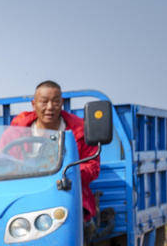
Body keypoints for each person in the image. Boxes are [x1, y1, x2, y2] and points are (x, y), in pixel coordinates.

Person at [9, 80, 101, 221]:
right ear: (34, 104)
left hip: (67, 196)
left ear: (62, 103)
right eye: (44, 102)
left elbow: (92, 166)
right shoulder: (18, 130)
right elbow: (1, 159)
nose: (50, 107)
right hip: (25, 199)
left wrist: (64, 175)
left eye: (55, 102)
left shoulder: (80, 130)